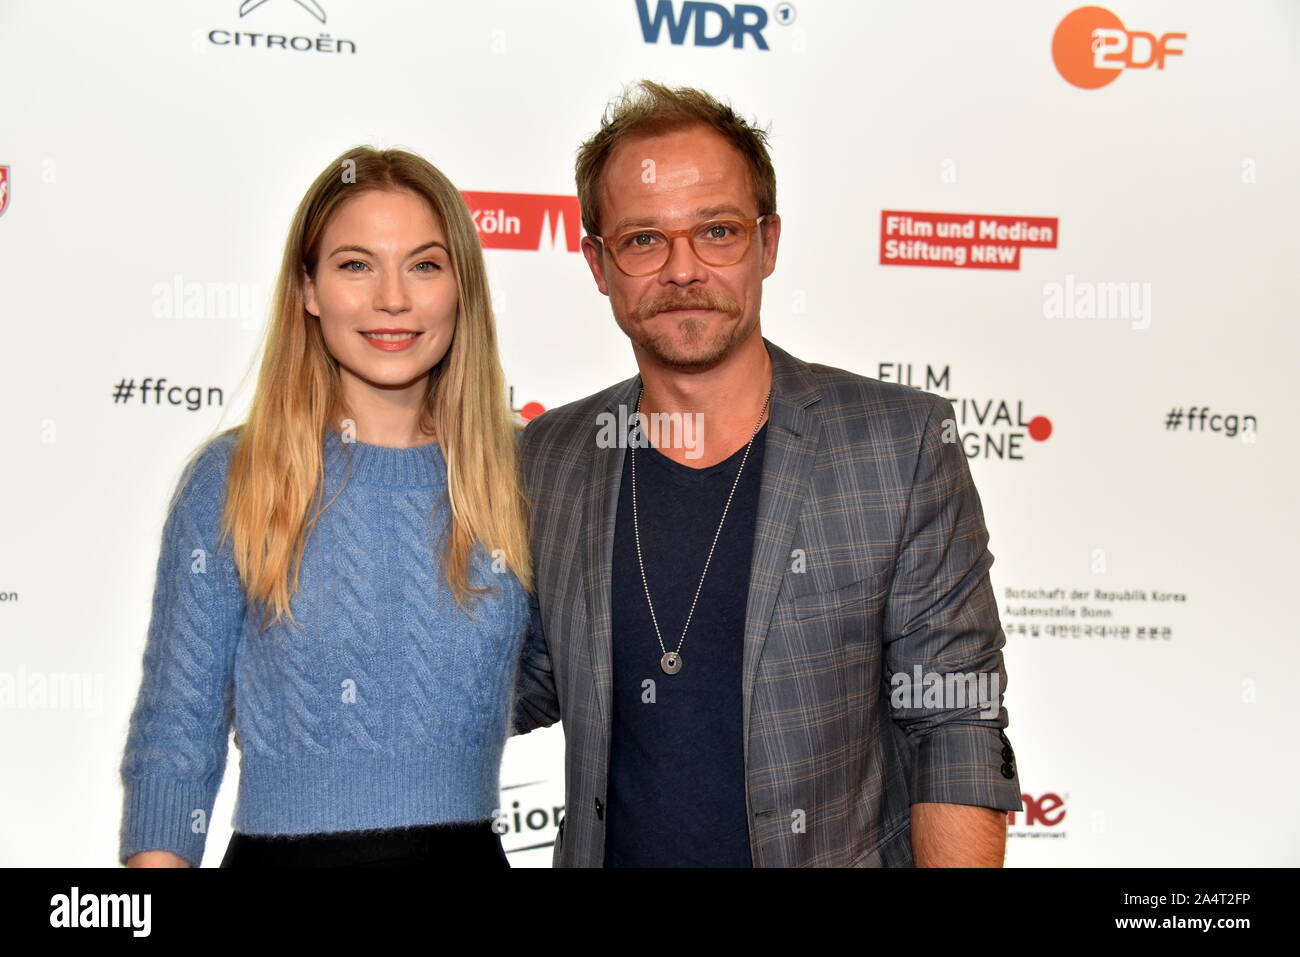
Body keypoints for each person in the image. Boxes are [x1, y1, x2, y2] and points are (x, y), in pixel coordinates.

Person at [511, 82, 1023, 867]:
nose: (683, 269)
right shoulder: (549, 455)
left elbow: (952, 725)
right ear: (597, 263)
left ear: (768, 242)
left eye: (717, 231)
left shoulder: (900, 444)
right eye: (644, 240)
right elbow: (518, 680)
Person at [119, 146, 532, 868]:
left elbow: (562, 676)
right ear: (307, 287)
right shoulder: (233, 478)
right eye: (355, 264)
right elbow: (176, 733)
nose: (393, 298)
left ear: (461, 287)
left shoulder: (522, 473)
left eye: (425, 265)